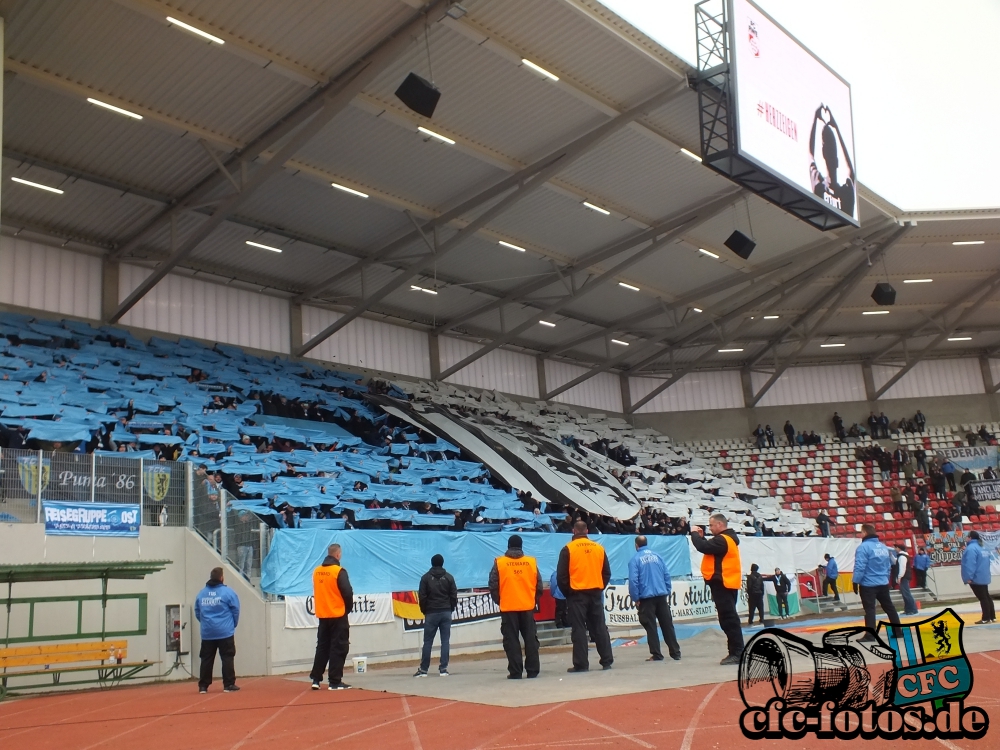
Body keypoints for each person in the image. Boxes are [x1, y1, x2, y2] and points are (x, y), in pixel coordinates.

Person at [557, 520, 614, 673]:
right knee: (600, 627)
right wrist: (599, 586)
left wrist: (569, 592)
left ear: (574, 531)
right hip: (595, 592)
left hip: (577, 594)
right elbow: (607, 573)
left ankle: (581, 664)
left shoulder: (568, 549)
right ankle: (607, 660)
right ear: (587, 531)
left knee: (579, 629)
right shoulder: (599, 548)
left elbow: (561, 576)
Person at [691, 514, 744, 664]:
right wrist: (701, 538)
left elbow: (703, 547)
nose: (710, 528)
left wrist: (694, 534)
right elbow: (708, 546)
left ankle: (737, 653)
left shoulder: (723, 540)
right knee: (728, 619)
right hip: (726, 583)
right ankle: (736, 651)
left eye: (712, 525)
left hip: (723, 584)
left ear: (720, 524)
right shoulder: (727, 539)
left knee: (729, 619)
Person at [489, 535, 542, 679]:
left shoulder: (500, 563)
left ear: (508, 545)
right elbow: (539, 586)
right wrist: (532, 600)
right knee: (530, 639)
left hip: (508, 607)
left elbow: (493, 585)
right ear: (521, 546)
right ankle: (533, 670)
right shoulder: (531, 562)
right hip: (527, 607)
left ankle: (515, 671)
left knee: (511, 640)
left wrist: (501, 601)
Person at [628, 535, 681, 661]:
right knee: (667, 624)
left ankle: (657, 653)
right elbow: (666, 575)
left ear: (636, 545)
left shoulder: (635, 559)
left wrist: (636, 597)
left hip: (646, 598)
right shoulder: (658, 557)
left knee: (650, 626)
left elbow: (633, 581)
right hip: (661, 595)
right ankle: (675, 652)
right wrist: (667, 590)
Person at [310, 543, 354, 690]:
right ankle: (334, 681)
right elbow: (347, 592)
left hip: (323, 615)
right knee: (339, 647)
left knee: (322, 647)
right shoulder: (339, 571)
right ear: (338, 555)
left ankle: (316, 679)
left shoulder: (316, 571)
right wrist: (347, 608)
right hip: (337, 614)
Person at [194, 567, 241, 694]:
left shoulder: (202, 593)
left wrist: (205, 623)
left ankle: (203, 686)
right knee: (227, 657)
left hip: (207, 632)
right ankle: (228, 684)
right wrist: (233, 624)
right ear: (221, 578)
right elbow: (235, 610)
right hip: (225, 631)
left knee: (206, 659)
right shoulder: (228, 592)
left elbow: (197, 612)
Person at [852, 524, 902, 639]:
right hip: (883, 582)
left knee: (870, 609)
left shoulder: (863, 547)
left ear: (864, 533)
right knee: (889, 608)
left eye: (861, 532)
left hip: (868, 584)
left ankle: (870, 634)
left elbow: (860, 567)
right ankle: (898, 632)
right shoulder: (883, 547)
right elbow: (889, 565)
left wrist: (855, 581)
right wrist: (886, 578)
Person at [415, 554, 458, 677]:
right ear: (442, 563)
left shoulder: (425, 578)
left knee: (428, 641)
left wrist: (425, 610)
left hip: (431, 612)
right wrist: (450, 608)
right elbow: (453, 595)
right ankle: (443, 669)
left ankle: (424, 670)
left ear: (431, 563)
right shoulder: (449, 577)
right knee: (445, 641)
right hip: (445, 611)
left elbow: (422, 597)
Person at [962, 531, 996, 624]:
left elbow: (970, 564)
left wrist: (968, 577)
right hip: (984, 575)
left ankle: (986, 618)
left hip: (976, 576)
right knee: (986, 596)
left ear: (970, 538)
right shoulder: (983, 547)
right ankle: (992, 616)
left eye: (967, 537)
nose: (966, 538)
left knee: (982, 597)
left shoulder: (971, 549)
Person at [895, 545, 918, 616]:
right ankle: (908, 609)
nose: (895, 549)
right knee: (905, 594)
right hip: (904, 577)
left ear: (898, 548)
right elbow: (896, 562)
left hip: (904, 577)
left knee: (906, 593)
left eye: (895, 547)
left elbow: (902, 567)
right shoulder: (901, 556)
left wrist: (899, 577)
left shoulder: (902, 557)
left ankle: (913, 609)